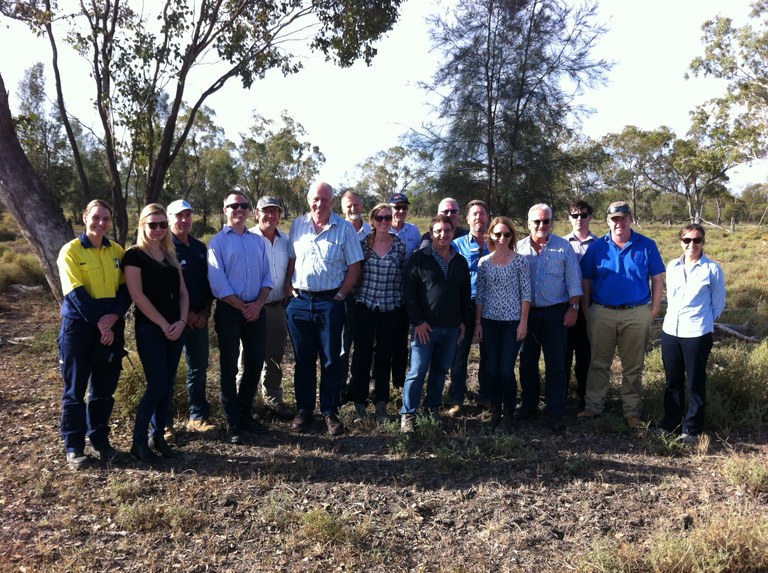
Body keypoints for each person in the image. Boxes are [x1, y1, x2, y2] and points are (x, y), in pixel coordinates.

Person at [57, 199, 131, 469]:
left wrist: (113, 319)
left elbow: (125, 290)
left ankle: (100, 441)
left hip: (111, 327)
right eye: (96, 217)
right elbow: (74, 293)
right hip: (79, 329)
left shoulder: (118, 251)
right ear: (85, 217)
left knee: (103, 391)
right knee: (75, 392)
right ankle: (74, 448)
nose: (101, 223)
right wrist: (102, 324)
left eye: (106, 219)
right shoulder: (71, 251)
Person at [578, 201, 665, 428]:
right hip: (602, 312)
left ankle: (632, 412)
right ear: (608, 221)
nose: (619, 222)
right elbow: (586, 279)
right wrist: (587, 309)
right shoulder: (597, 247)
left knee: (633, 366)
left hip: (636, 313)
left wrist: (654, 310)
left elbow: (657, 278)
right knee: (598, 363)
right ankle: (593, 407)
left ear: (630, 219)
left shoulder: (646, 245)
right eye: (614, 219)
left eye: (623, 218)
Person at [286, 181, 363, 436]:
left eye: (325, 199)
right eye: (315, 199)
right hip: (300, 302)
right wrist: (289, 287)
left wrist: (341, 294)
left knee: (331, 360)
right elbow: (291, 258)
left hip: (331, 302)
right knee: (303, 360)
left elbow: (354, 267)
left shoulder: (344, 229)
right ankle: (304, 411)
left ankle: (330, 412)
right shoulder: (298, 225)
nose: (319, 204)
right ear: (308, 199)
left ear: (332, 201)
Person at [124, 204, 189, 462]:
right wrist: (164, 324)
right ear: (142, 226)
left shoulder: (170, 255)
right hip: (151, 329)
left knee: (168, 383)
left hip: (176, 328)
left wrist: (182, 321)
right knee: (157, 383)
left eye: (163, 224)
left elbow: (184, 293)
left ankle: (158, 436)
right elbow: (137, 296)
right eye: (153, 224)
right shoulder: (134, 256)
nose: (159, 229)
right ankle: (138, 441)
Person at [207, 191, 273, 444]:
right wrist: (242, 306)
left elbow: (268, 277)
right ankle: (231, 420)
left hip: (257, 310)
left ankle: (245, 414)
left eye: (244, 205)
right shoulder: (217, 243)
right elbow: (218, 283)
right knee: (229, 366)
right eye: (234, 205)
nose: (239, 209)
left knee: (255, 363)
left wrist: (257, 304)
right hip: (230, 312)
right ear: (225, 209)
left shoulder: (258, 242)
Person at [400, 215, 472, 433]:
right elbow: (409, 295)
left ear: (453, 232)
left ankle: (432, 409)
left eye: (447, 231)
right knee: (417, 371)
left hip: (451, 329)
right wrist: (418, 322)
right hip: (425, 329)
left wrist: (463, 322)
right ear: (431, 234)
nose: (443, 235)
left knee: (440, 371)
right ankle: (408, 415)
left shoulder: (459, 261)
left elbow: (465, 295)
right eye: (438, 231)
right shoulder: (418, 259)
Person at [517, 203, 582, 432]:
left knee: (556, 364)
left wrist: (573, 307)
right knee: (527, 362)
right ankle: (529, 405)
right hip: (528, 314)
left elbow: (574, 281)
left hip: (556, 313)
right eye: (537, 221)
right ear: (528, 224)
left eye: (546, 221)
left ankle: (555, 410)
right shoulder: (519, 249)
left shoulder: (564, 248)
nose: (541, 225)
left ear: (551, 222)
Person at [660, 224, 725, 444]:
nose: (691, 245)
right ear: (680, 241)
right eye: (687, 240)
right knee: (672, 381)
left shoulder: (712, 269)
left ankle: (692, 429)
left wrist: (702, 322)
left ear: (703, 242)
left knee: (695, 382)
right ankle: (671, 424)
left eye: (697, 240)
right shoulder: (672, 266)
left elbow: (717, 305)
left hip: (697, 333)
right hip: (671, 331)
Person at [350, 203, 407, 423]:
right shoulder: (364, 244)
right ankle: (359, 402)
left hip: (390, 307)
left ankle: (381, 403)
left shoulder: (400, 246)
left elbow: (403, 277)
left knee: (384, 355)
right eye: (379, 218)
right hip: (365, 305)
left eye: (387, 218)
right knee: (362, 355)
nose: (384, 222)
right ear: (372, 221)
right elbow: (356, 274)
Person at [475, 216, 531, 431]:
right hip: (489, 323)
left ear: (512, 236)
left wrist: (523, 323)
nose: (502, 238)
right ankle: (495, 411)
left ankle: (509, 414)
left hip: (512, 324)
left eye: (506, 234)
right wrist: (478, 323)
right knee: (492, 369)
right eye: (497, 234)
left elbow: (526, 294)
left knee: (506, 369)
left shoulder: (520, 261)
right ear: (490, 235)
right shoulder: (484, 262)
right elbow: (480, 295)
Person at [167, 199, 215, 435]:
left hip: (199, 320)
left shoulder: (199, 248)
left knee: (198, 368)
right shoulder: (164, 249)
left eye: (188, 215)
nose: (184, 220)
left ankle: (197, 417)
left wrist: (205, 313)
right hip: (174, 321)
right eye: (179, 216)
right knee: (167, 371)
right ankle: (164, 423)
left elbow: (208, 285)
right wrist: (185, 316)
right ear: (169, 219)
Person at [246, 196, 293, 421]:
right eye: (266, 211)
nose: (270, 215)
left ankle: (273, 398)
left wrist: (288, 286)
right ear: (256, 213)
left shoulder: (285, 240)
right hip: (253, 307)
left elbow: (291, 264)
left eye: (275, 211)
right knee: (247, 357)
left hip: (276, 306)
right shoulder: (248, 238)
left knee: (274, 356)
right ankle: (247, 401)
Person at [447, 199, 490, 415]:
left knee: (488, 354)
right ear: (467, 219)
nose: (478, 218)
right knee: (459, 354)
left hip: (491, 306)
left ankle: (486, 397)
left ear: (487, 217)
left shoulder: (497, 242)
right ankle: (457, 398)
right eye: (474, 214)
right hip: (464, 305)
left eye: (482, 213)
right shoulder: (457, 245)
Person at [563, 200, 597, 410]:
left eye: (583, 215)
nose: (579, 219)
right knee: (563, 354)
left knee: (586, 355)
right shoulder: (562, 243)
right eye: (574, 215)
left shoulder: (601, 244)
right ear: (569, 218)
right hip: (566, 306)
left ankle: (585, 397)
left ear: (590, 217)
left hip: (591, 306)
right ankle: (560, 397)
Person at [387, 192, 422, 389]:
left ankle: (398, 381)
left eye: (404, 208)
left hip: (405, 293)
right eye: (396, 207)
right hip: (384, 291)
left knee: (401, 339)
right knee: (380, 339)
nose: (400, 211)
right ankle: (376, 379)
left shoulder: (413, 232)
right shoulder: (380, 228)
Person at [338, 190, 370, 402]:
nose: (353, 209)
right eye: (349, 206)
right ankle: (339, 390)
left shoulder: (372, 231)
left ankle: (358, 389)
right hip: (345, 296)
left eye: (356, 205)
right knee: (342, 345)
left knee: (364, 346)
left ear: (362, 206)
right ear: (342, 208)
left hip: (367, 296)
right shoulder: (338, 230)